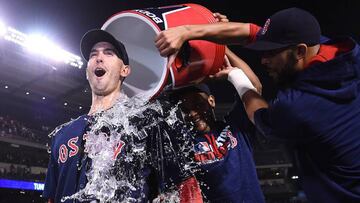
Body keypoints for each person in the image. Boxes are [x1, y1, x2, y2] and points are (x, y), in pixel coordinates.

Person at [156, 7, 360, 203]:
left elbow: (259, 111)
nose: (263, 60)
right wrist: (189, 31)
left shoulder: (299, 105)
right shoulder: (339, 52)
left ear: (300, 51)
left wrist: (235, 75)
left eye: (271, 53)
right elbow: (248, 32)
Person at [42, 29, 193, 203]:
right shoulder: (62, 134)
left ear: (125, 70)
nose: (99, 58)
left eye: (109, 53)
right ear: (87, 70)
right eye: (93, 55)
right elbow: (51, 198)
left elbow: (183, 188)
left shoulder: (147, 121)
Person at [170, 47, 264, 202]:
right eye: (186, 109)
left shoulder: (236, 126)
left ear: (211, 101)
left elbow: (254, 87)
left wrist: (221, 48)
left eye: (197, 104)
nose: (192, 113)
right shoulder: (182, 145)